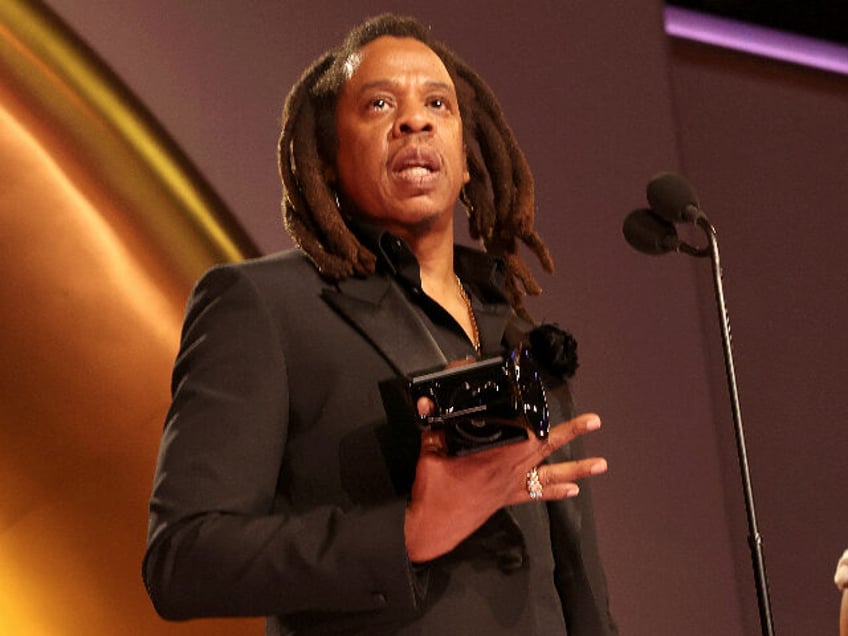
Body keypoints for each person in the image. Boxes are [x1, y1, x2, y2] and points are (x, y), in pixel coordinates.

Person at [143, 13, 617, 635]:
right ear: (330, 157)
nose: (415, 119)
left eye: (438, 103)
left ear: (467, 158)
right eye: (379, 104)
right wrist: (408, 533)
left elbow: (576, 585)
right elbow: (184, 558)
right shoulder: (263, 306)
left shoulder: (517, 336)